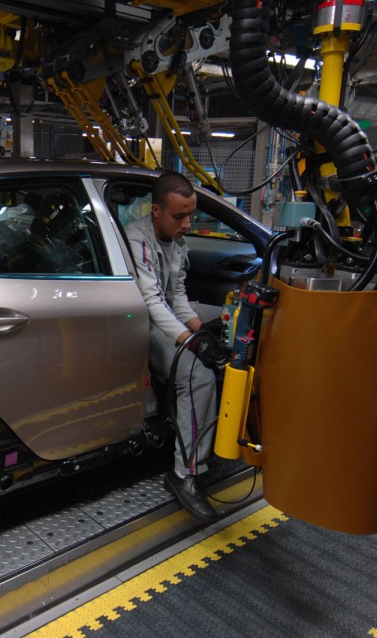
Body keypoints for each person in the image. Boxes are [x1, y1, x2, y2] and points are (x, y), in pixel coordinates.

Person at [125, 171, 222, 522]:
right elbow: (151, 301)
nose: (187, 224)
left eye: (190, 215)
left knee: (222, 327)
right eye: (179, 216)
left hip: (166, 319)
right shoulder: (138, 237)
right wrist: (190, 342)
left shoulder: (178, 242)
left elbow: (177, 295)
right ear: (156, 211)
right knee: (199, 378)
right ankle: (185, 474)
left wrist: (203, 333)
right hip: (140, 323)